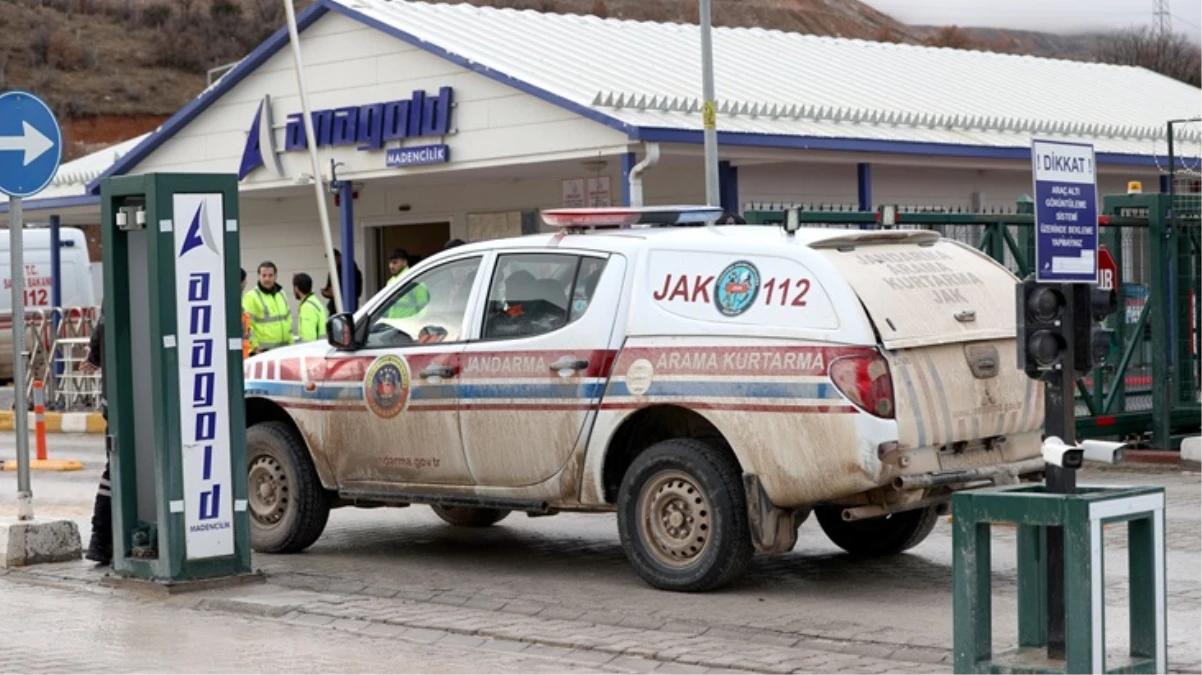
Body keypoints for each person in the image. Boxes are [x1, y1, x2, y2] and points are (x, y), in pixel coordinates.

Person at [79, 312, 110, 565]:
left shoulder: (110, 302)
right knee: (116, 471)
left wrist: (93, 358)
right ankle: (102, 539)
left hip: (112, 398)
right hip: (132, 399)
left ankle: (101, 539)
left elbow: (99, 333)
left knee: (114, 470)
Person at [242, 261, 293, 354]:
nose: (267, 279)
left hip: (285, 349)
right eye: (264, 275)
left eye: (270, 275)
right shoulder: (251, 297)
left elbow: (288, 320)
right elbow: (248, 325)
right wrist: (254, 347)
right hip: (264, 352)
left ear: (275, 276)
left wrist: (291, 343)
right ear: (259, 276)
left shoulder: (281, 294)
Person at [322, 249, 363, 314]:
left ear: (338, 257)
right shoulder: (333, 271)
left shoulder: (351, 270)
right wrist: (326, 292)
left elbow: (356, 291)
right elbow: (329, 287)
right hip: (334, 306)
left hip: (346, 306)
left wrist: (337, 291)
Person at [294, 272, 328, 342]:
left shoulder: (307, 307)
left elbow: (308, 337)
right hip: (321, 345)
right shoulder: (315, 302)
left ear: (296, 288)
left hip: (313, 347)